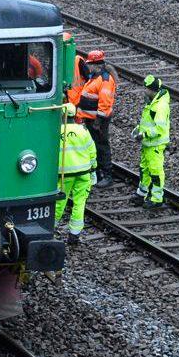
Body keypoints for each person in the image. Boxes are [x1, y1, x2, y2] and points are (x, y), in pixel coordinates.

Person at [56, 103, 97, 245]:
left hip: (64, 174)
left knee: (59, 203)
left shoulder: (57, 131)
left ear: (62, 115)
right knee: (80, 203)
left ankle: (50, 229)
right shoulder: (83, 131)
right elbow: (92, 150)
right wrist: (93, 169)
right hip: (84, 173)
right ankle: (74, 234)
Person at [76, 49, 116, 187]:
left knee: (101, 147)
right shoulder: (95, 76)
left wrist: (98, 121)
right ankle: (98, 173)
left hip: (98, 121)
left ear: (96, 64)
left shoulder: (104, 80)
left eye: (90, 64)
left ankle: (107, 175)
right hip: (91, 119)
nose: (88, 66)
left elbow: (105, 103)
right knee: (94, 146)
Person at [132, 74, 170, 207]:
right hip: (148, 143)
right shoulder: (153, 101)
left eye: (146, 88)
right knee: (145, 169)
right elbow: (149, 122)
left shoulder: (160, 106)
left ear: (151, 90)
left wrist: (144, 134)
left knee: (155, 171)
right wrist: (139, 129)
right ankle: (142, 193)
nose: (144, 90)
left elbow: (159, 128)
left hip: (155, 144)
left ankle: (156, 199)